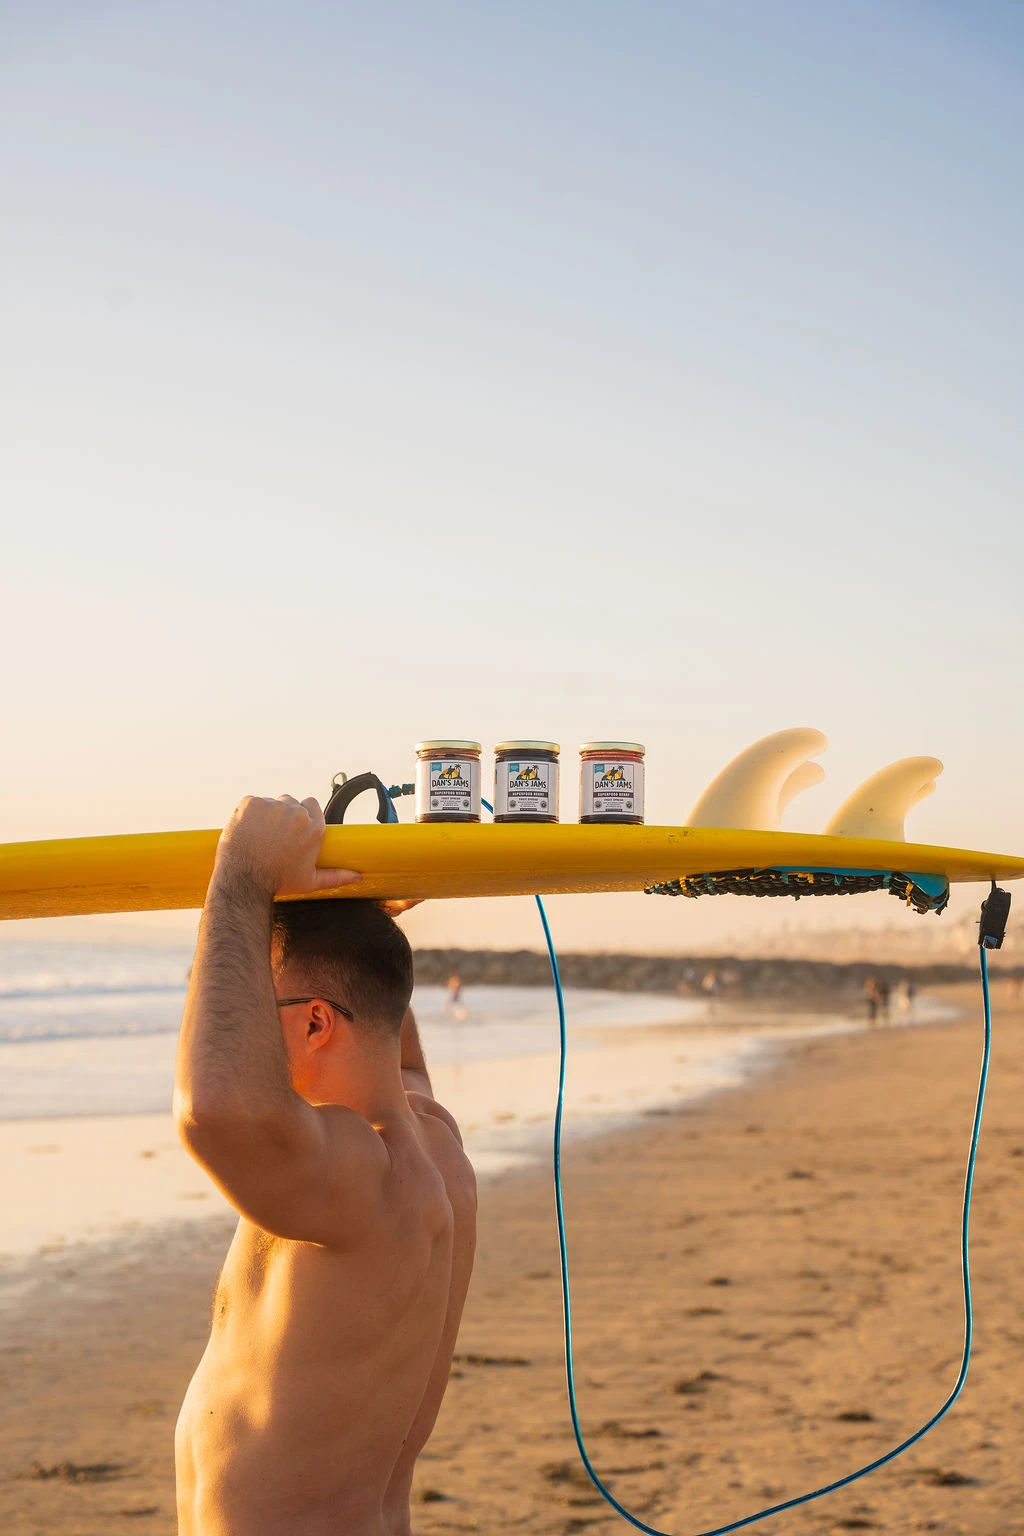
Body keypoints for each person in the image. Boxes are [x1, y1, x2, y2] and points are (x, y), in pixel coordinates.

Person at [173, 794, 477, 1536]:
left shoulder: (352, 1184)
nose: (225, 1011)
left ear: (314, 1023)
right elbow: (377, 1025)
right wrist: (360, 921)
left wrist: (240, 876)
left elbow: (213, 1107)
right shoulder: (431, 1141)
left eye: (256, 999)